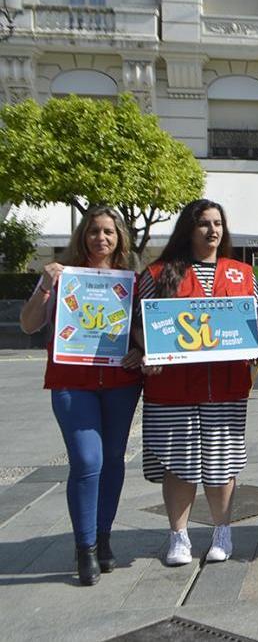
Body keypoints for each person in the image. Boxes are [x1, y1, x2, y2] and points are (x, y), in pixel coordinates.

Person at [19, 207, 143, 586]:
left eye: (108, 231)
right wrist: (45, 284)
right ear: (82, 235)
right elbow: (28, 324)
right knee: (88, 461)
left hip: (121, 381)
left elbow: (141, 333)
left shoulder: (132, 281)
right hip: (72, 382)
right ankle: (84, 546)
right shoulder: (61, 276)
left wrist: (142, 351)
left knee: (113, 462)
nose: (101, 238)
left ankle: (103, 538)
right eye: (93, 231)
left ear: (120, 237)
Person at [138, 199, 258, 566]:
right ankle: (178, 537)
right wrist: (150, 351)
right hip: (172, 389)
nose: (213, 231)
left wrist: (255, 343)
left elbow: (255, 321)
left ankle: (222, 531)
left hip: (224, 385)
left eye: (218, 223)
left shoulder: (242, 273)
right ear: (188, 230)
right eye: (204, 224)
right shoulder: (158, 273)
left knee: (221, 461)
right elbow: (138, 324)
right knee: (180, 462)